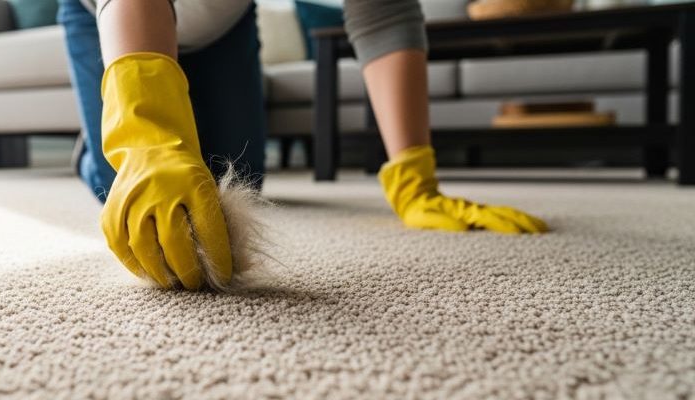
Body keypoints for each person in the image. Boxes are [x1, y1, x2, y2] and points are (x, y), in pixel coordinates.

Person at [58, 0, 549, 290]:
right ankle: (94, 154)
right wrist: (145, 139)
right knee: (123, 190)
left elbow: (384, 15)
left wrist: (413, 178)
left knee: (243, 174)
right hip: (106, 9)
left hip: (222, 22)